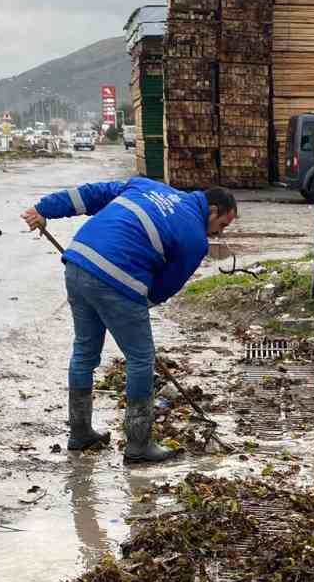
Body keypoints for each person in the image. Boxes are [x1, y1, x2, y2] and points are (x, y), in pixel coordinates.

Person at [22, 177, 236, 461]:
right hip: (117, 277)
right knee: (141, 358)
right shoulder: (195, 239)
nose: (218, 234)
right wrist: (129, 311)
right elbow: (163, 288)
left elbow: (91, 194)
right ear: (212, 210)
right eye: (221, 226)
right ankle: (139, 444)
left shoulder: (149, 186)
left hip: (77, 262)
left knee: (85, 352)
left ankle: (80, 434)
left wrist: (43, 208)